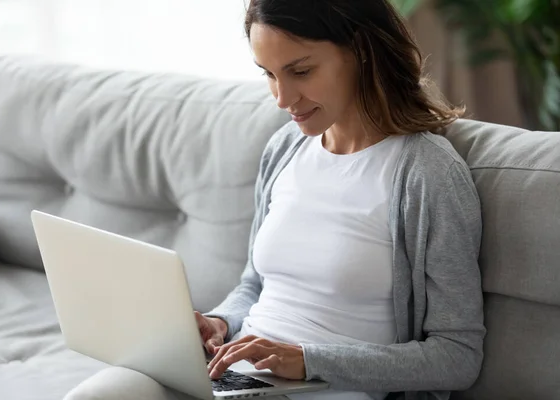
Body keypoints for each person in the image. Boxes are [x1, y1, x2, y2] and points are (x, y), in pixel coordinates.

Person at [65, 0, 486, 399]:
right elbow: (254, 284)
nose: (283, 98)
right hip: (236, 376)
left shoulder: (427, 174)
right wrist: (219, 322)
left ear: (362, 50)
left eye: (300, 71)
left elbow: (457, 355)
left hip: (328, 387)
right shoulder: (286, 148)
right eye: (268, 74)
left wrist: (306, 361)